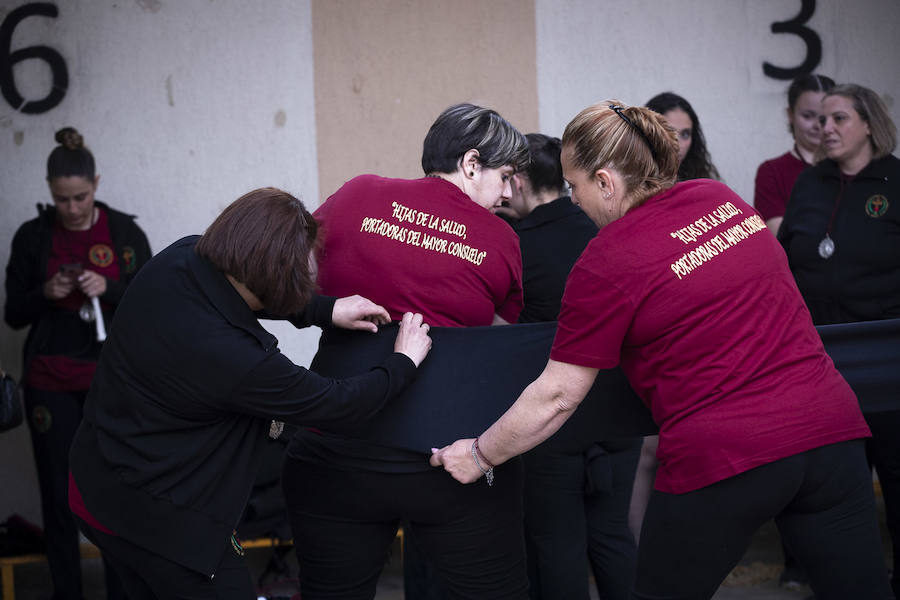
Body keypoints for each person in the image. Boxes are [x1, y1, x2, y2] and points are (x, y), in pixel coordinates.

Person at [431, 100, 894, 600]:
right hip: (830, 431)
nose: (573, 200)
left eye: (575, 186)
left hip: (729, 454)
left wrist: (479, 455)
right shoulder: (722, 199)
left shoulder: (606, 260)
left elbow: (559, 394)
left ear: (606, 182)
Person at [66, 187, 433, 598]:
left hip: (95, 489)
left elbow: (246, 292)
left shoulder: (182, 258)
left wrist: (323, 310)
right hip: (161, 523)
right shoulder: (234, 357)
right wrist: (402, 362)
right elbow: (335, 403)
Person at [282, 103, 530, 600]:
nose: (509, 193)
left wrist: (324, 311)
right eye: (505, 176)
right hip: (444, 459)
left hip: (333, 447)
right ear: (471, 163)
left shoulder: (357, 193)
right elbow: (502, 348)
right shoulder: (501, 239)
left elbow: (280, 280)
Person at [4, 127, 152, 600]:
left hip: (111, 382)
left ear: (97, 184)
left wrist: (106, 289)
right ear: (50, 191)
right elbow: (12, 314)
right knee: (58, 493)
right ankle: (66, 592)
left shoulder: (125, 234)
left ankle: (120, 593)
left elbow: (153, 302)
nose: (71, 208)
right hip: (49, 381)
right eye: (62, 199)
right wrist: (44, 294)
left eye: (81, 197)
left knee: (113, 491)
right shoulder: (32, 237)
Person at [507, 133, 640, 600]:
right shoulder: (606, 227)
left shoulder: (514, 245)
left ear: (519, 181)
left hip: (553, 416)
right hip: (621, 411)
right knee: (612, 536)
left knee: (556, 543)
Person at [780, 83, 900, 598]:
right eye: (820, 120)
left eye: (839, 119)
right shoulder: (810, 183)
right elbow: (786, 255)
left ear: (869, 124)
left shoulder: (895, 182)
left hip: (885, 354)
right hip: (821, 355)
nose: (825, 129)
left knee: (894, 473)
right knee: (832, 477)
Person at [755, 74, 835, 235]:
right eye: (807, 116)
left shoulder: (849, 165)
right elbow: (779, 234)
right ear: (790, 115)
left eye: (824, 117)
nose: (817, 126)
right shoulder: (772, 171)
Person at [646, 92, 720, 181]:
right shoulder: (629, 184)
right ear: (649, 132)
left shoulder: (702, 186)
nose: (678, 144)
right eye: (669, 132)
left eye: (685, 134)